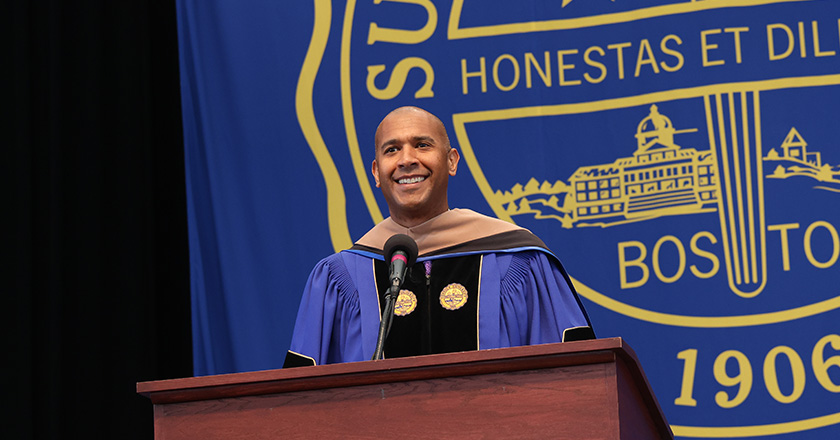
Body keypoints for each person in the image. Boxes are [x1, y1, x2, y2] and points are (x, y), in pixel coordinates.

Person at [283, 106, 593, 367]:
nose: (406, 159)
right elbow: (302, 403)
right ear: (377, 172)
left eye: (422, 145)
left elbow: (574, 380)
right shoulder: (339, 278)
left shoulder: (520, 260)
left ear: (451, 161)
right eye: (392, 150)